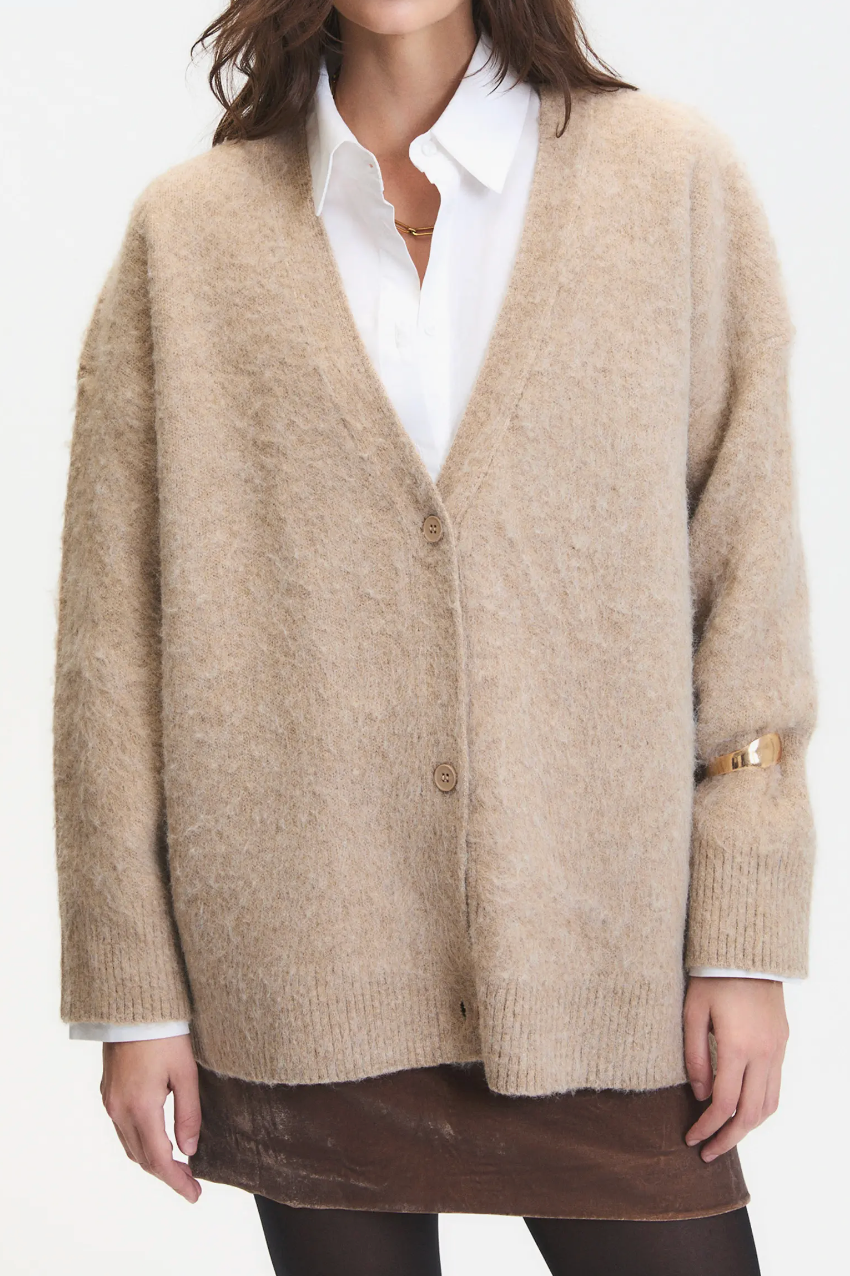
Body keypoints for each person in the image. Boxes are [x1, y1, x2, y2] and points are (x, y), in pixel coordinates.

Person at [53, 2, 818, 1274]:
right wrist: (130, 991)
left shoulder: (669, 179)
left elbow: (745, 579)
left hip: (601, 957)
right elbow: (110, 649)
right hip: (303, 969)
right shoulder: (189, 236)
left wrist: (745, 940)